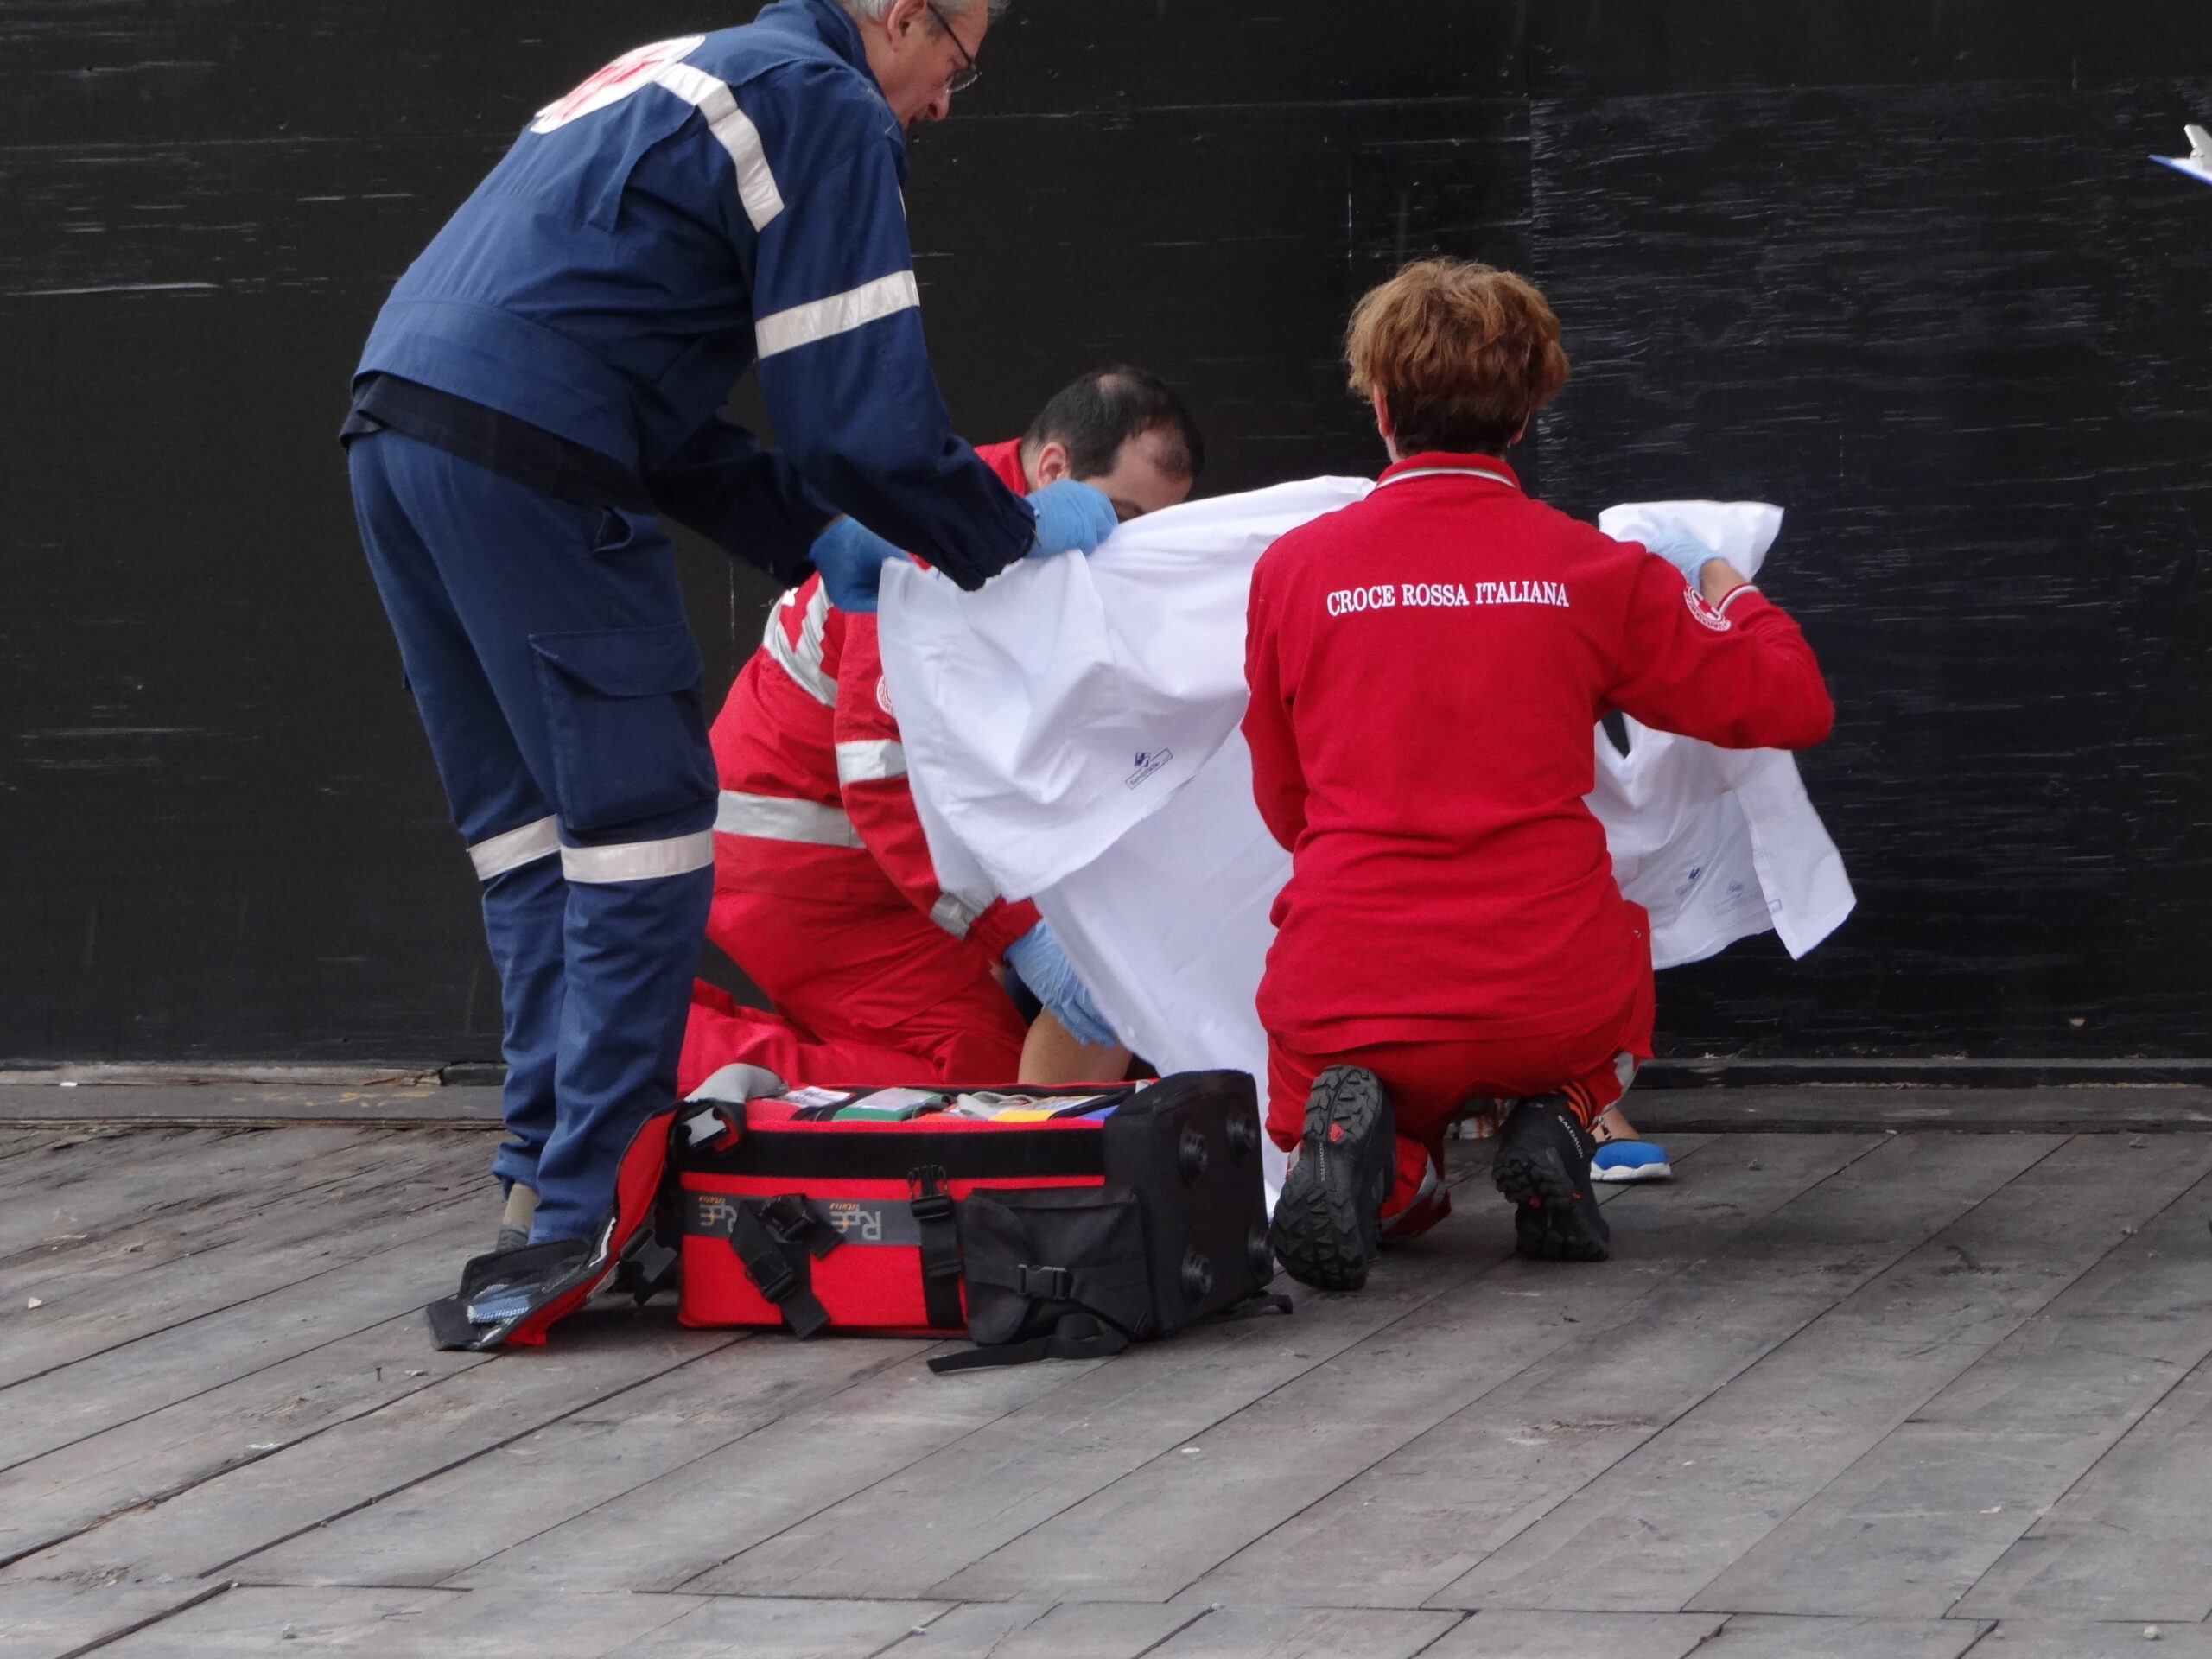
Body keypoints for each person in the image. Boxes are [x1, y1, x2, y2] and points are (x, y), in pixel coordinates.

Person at [342, 0, 1122, 1268]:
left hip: (398, 429)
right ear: (900, 15)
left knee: (532, 843)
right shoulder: (824, 100)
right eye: (954, 71)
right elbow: (856, 421)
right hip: (536, 456)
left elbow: (620, 372)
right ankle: (590, 1209)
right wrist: (1010, 536)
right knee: (639, 839)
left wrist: (808, 533)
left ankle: (539, 1176)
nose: (934, 107)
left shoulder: (681, 63)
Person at [1243, 258, 1834, 1292]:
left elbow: (1281, 798)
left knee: (1339, 1089)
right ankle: (1557, 1114)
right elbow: (1789, 704)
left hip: (1348, 978)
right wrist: (1721, 581)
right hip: (1544, 982)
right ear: (1522, 420)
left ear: (1380, 408)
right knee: (1614, 960)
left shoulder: (1293, 571)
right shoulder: (1596, 572)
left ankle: (1393, 1168)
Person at [683, 366, 1205, 1097]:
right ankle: (651, 1060)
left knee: (990, 1041)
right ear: (1053, 468)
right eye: (1119, 515)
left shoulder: (1014, 529)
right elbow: (881, 782)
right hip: (806, 861)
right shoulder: (930, 539)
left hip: (851, 860)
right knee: (976, 1076)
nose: (1125, 547)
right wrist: (1016, 931)